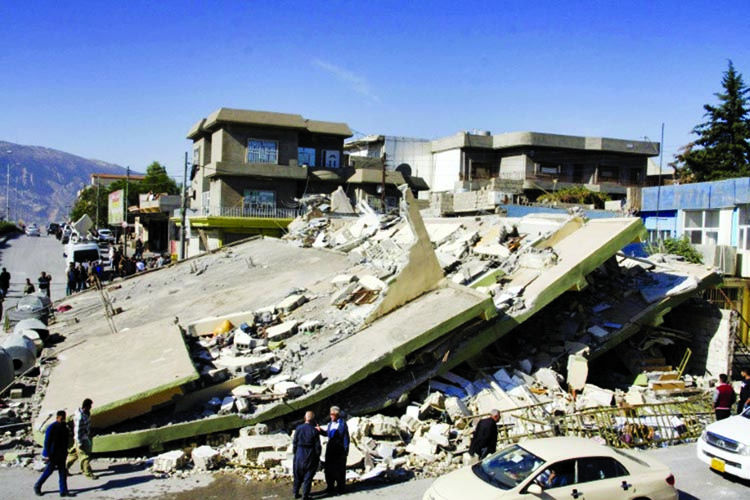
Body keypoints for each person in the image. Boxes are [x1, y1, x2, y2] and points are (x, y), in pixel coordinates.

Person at [34, 410, 73, 497]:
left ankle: (63, 491)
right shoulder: (52, 427)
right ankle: (37, 486)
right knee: (48, 471)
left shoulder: (65, 428)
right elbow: (47, 442)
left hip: (61, 453)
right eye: (61, 419)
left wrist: (66, 451)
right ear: (57, 418)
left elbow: (66, 441)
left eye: (64, 419)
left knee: (62, 472)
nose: (63, 420)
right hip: (53, 454)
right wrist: (47, 454)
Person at [317, 406, 350, 496]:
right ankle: (330, 487)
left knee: (339, 470)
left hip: (339, 451)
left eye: (332, 414)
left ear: (337, 414)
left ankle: (340, 488)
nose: (331, 416)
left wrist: (345, 451)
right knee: (329, 470)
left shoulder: (343, 424)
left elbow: (346, 438)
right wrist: (320, 431)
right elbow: (328, 433)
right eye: (330, 414)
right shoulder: (330, 423)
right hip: (330, 450)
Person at [293, 411, 321, 500]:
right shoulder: (314, 430)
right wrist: (317, 457)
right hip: (310, 454)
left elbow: (294, 443)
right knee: (308, 476)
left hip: (299, 453)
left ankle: (295, 492)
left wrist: (295, 454)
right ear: (313, 420)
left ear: (305, 417)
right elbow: (318, 447)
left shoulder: (298, 428)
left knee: (297, 475)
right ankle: (305, 496)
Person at [66, 398, 97, 479]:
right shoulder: (80, 417)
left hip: (79, 438)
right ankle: (88, 473)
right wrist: (80, 442)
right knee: (85, 457)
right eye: (90, 406)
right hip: (81, 439)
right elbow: (78, 430)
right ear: (86, 406)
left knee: (74, 455)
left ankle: (64, 469)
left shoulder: (83, 413)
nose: (91, 407)